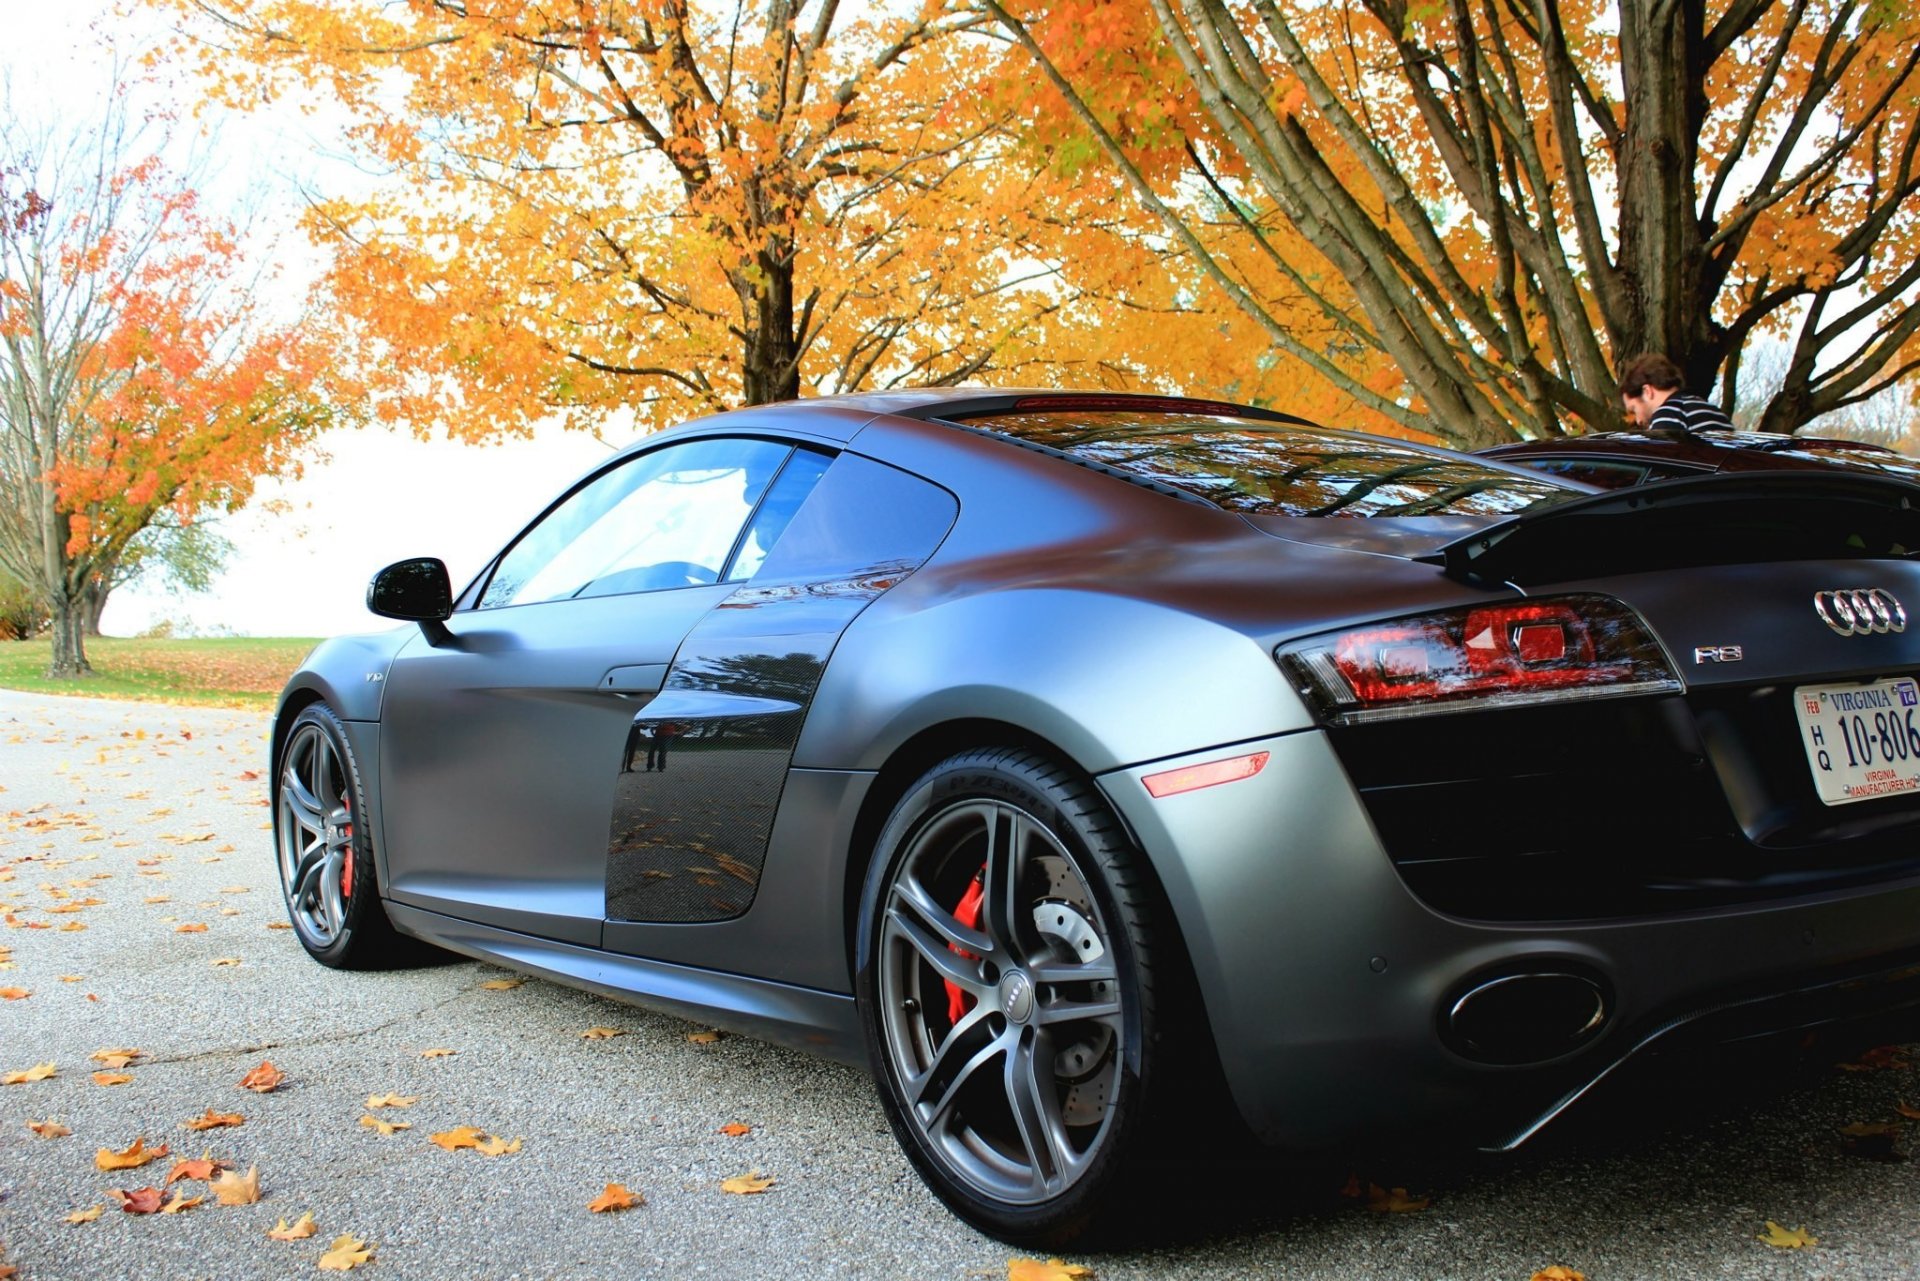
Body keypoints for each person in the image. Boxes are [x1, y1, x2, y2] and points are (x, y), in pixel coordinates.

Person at [1618, 352, 1734, 436]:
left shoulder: (1667, 415)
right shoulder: (1715, 412)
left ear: (1647, 391)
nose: (1638, 420)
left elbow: (1662, 466)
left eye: (1634, 409)